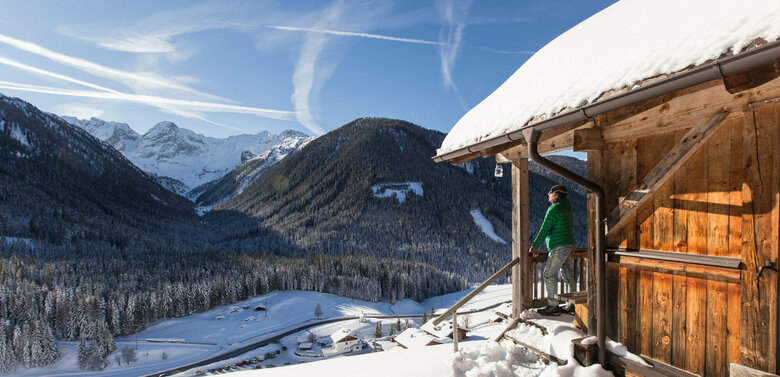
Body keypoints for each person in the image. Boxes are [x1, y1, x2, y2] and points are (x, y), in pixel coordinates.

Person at [529, 184, 576, 316]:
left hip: (559, 246)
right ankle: (572, 306)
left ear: (556, 194)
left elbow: (545, 229)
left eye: (550, 192)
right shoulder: (567, 208)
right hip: (570, 245)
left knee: (548, 274)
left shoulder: (554, 209)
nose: (548, 195)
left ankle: (553, 306)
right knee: (567, 276)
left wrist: (535, 246)